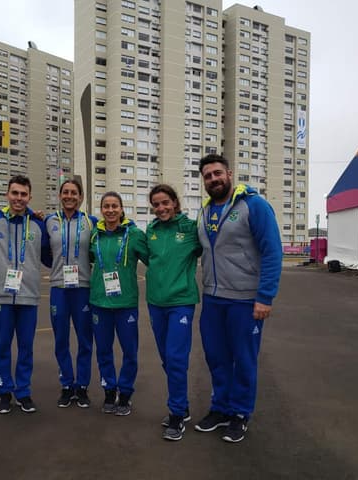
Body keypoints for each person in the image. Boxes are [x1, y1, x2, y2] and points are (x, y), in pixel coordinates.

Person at [195, 153, 282, 443]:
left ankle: (240, 413)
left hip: (245, 299)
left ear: (229, 174)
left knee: (243, 359)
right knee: (216, 357)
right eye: (208, 176)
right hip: (212, 298)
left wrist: (265, 296)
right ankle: (220, 408)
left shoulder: (253, 206)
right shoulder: (204, 212)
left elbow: (272, 251)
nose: (214, 179)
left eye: (218, 173)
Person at [0, 175, 52, 414]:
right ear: (7, 195)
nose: (19, 199)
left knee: (26, 347)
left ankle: (23, 392)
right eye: (15, 193)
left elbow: (49, 257)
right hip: (1, 295)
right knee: (2, 346)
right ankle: (4, 391)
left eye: (24, 194)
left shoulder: (38, 225)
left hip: (29, 295)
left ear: (29, 197)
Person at [145, 184, 202, 441]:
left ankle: (177, 414)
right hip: (156, 302)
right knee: (167, 359)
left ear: (175, 203)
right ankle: (183, 404)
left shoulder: (189, 229)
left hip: (181, 302)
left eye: (165, 202)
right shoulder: (151, 231)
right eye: (156, 204)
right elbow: (149, 259)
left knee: (176, 358)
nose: (161, 208)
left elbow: (211, 247)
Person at [89, 192, 147, 416]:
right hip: (99, 303)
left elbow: (153, 260)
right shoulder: (94, 235)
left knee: (129, 352)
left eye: (114, 206)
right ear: (101, 210)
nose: (110, 210)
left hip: (126, 304)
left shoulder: (134, 235)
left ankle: (125, 393)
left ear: (122, 209)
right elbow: (88, 259)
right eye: (106, 206)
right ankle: (108, 390)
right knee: (103, 351)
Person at [44, 179, 97, 408]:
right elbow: (45, 252)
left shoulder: (91, 221)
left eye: (74, 193)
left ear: (81, 197)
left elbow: (96, 251)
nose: (69, 196)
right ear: (60, 195)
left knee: (85, 340)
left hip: (83, 288)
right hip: (59, 288)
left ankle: (82, 386)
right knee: (61, 339)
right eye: (65, 192)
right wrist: (56, 269)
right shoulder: (49, 221)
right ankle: (67, 385)